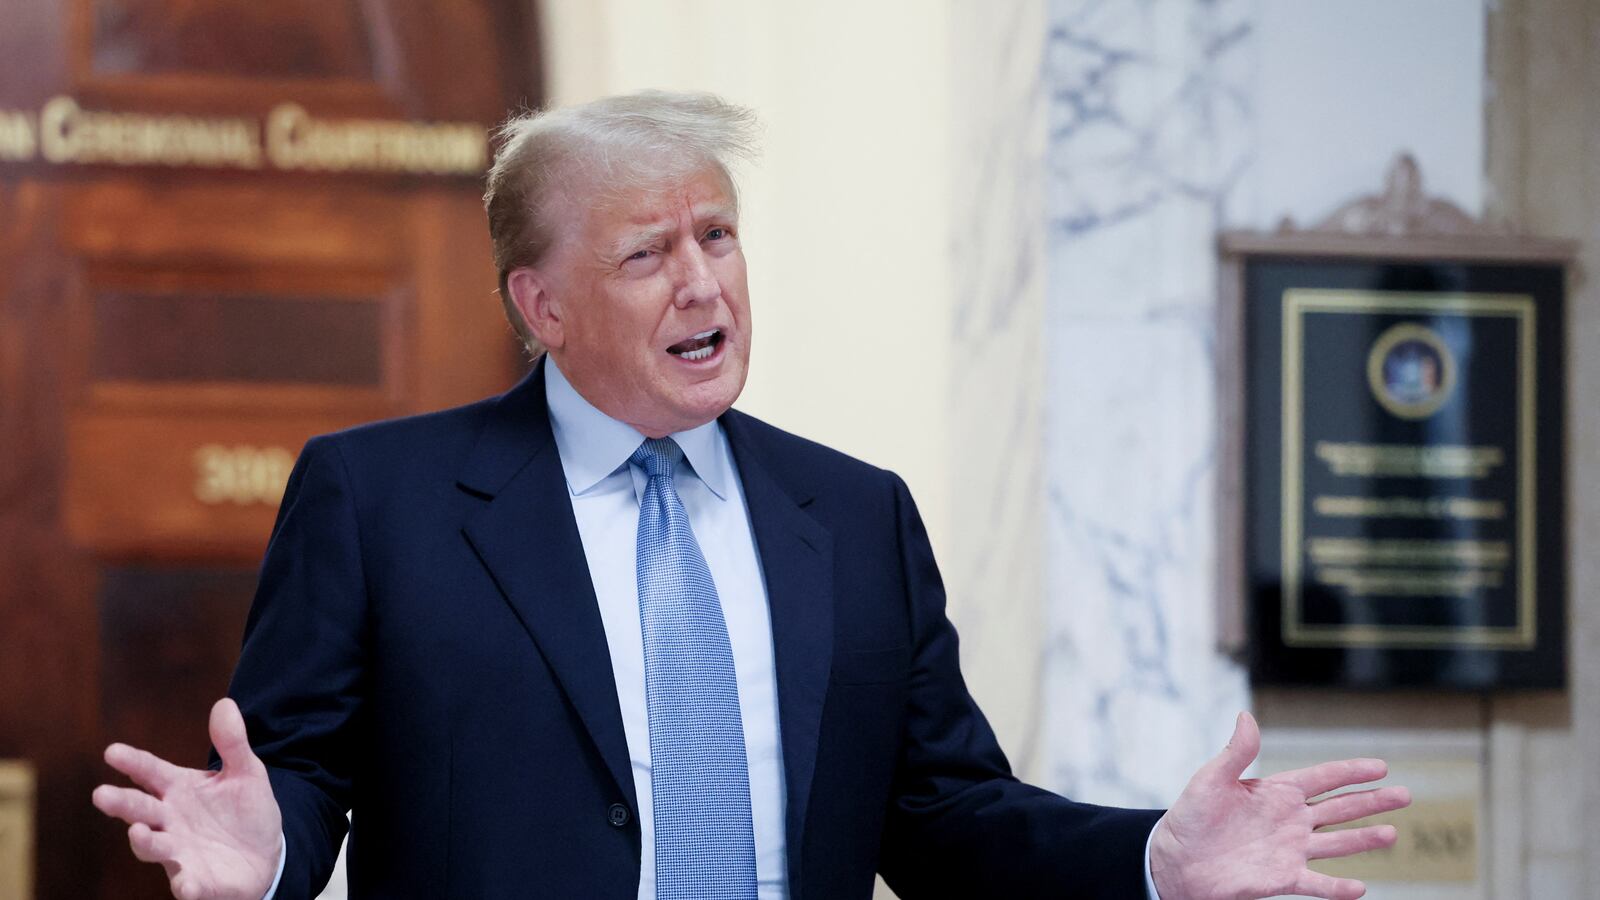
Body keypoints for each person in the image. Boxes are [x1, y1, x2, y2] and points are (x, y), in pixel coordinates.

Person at [91, 91, 1410, 900]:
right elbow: (296, 774)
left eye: (718, 235)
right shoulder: (378, 501)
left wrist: (1150, 866)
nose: (705, 283)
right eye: (649, 254)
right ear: (540, 305)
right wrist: (263, 863)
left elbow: (948, 821)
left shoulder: (856, 518)